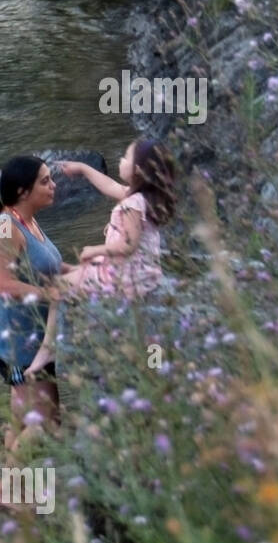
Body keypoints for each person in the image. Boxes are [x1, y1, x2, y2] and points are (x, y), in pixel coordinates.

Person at [24, 139, 177, 378]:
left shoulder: (132, 204)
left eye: (126, 157)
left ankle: (48, 350)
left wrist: (96, 250)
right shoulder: (141, 197)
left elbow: (128, 245)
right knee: (67, 271)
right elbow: (109, 185)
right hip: (140, 272)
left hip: (124, 277)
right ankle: (153, 363)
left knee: (57, 286)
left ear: (137, 170)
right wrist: (83, 169)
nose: (121, 160)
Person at [0, 156, 77, 451]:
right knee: (46, 423)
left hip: (30, 343)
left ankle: (12, 486)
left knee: (23, 419)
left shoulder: (28, 221)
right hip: (15, 349)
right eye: (45, 181)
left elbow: (49, 265)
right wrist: (50, 294)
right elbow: (4, 285)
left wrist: (86, 271)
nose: (54, 185)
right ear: (23, 192)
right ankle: (11, 489)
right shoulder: (5, 228)